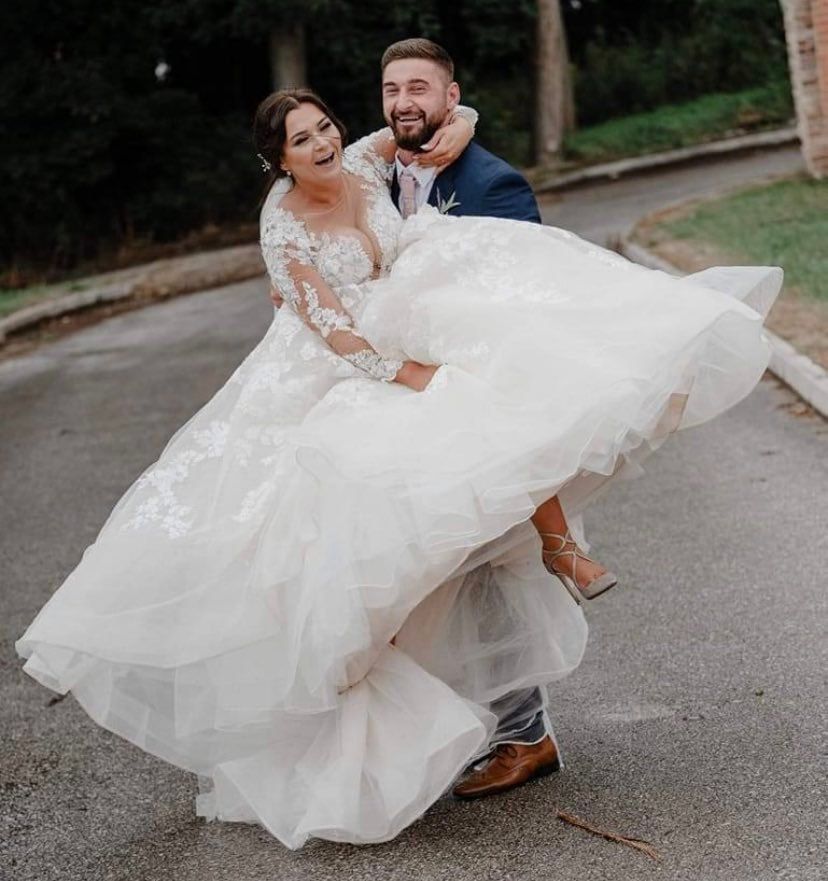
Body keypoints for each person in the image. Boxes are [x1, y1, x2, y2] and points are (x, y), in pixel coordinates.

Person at [17, 53, 782, 850]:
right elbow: (332, 330)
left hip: (402, 325)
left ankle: (553, 566)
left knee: (486, 417)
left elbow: (430, 125)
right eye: (302, 140)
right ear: (277, 160)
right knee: (363, 527)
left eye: (324, 127)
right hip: (333, 365)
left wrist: (464, 120)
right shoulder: (283, 228)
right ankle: (396, 708)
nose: (321, 143)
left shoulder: (361, 159)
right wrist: (404, 372)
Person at [267, 39, 574, 801]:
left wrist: (466, 121)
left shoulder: (481, 180)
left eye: (421, 89)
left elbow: (522, 286)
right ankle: (451, 734)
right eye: (391, 89)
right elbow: (326, 311)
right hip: (364, 383)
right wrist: (398, 368)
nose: (404, 102)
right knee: (390, 565)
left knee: (473, 547)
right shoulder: (334, 188)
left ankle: (520, 728)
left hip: (448, 380)